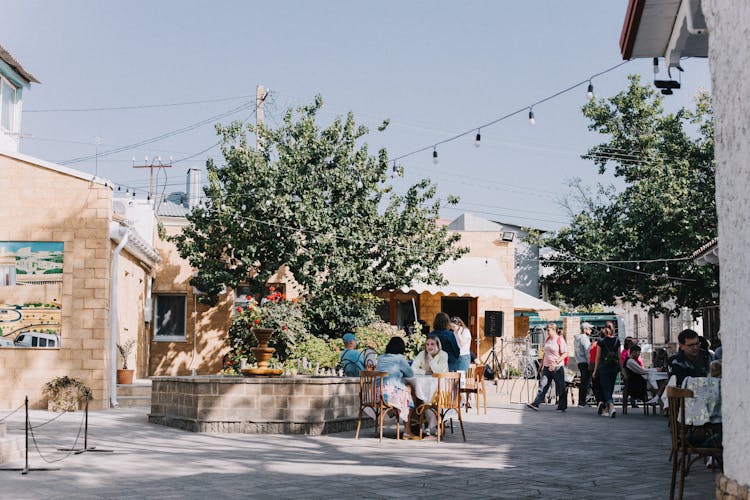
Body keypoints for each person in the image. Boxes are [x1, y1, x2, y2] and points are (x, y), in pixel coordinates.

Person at [375, 336, 417, 438]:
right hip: (389, 394)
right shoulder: (399, 359)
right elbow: (410, 374)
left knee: (406, 388)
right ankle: (407, 430)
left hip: (376, 394)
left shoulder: (380, 358)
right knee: (409, 397)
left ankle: (392, 411)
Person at [527, 323, 568, 412]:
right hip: (546, 367)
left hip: (557, 367)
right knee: (543, 385)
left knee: (560, 387)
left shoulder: (560, 339)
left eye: (549, 330)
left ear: (554, 330)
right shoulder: (547, 339)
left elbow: (565, 354)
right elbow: (545, 353)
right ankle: (536, 403)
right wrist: (541, 365)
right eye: (546, 330)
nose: (547, 332)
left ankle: (562, 406)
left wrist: (556, 362)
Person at [593, 324, 621, 418]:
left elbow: (597, 357)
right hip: (614, 367)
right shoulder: (617, 340)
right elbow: (619, 357)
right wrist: (622, 370)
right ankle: (608, 408)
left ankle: (611, 406)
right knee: (610, 387)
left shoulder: (601, 341)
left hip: (603, 367)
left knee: (605, 388)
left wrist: (595, 370)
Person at [574, 322, 593, 407]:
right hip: (585, 362)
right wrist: (590, 363)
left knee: (583, 382)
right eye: (589, 328)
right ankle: (582, 402)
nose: (591, 330)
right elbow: (588, 352)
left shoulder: (577, 338)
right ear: (585, 329)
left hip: (579, 361)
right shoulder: (585, 338)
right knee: (585, 383)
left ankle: (582, 401)